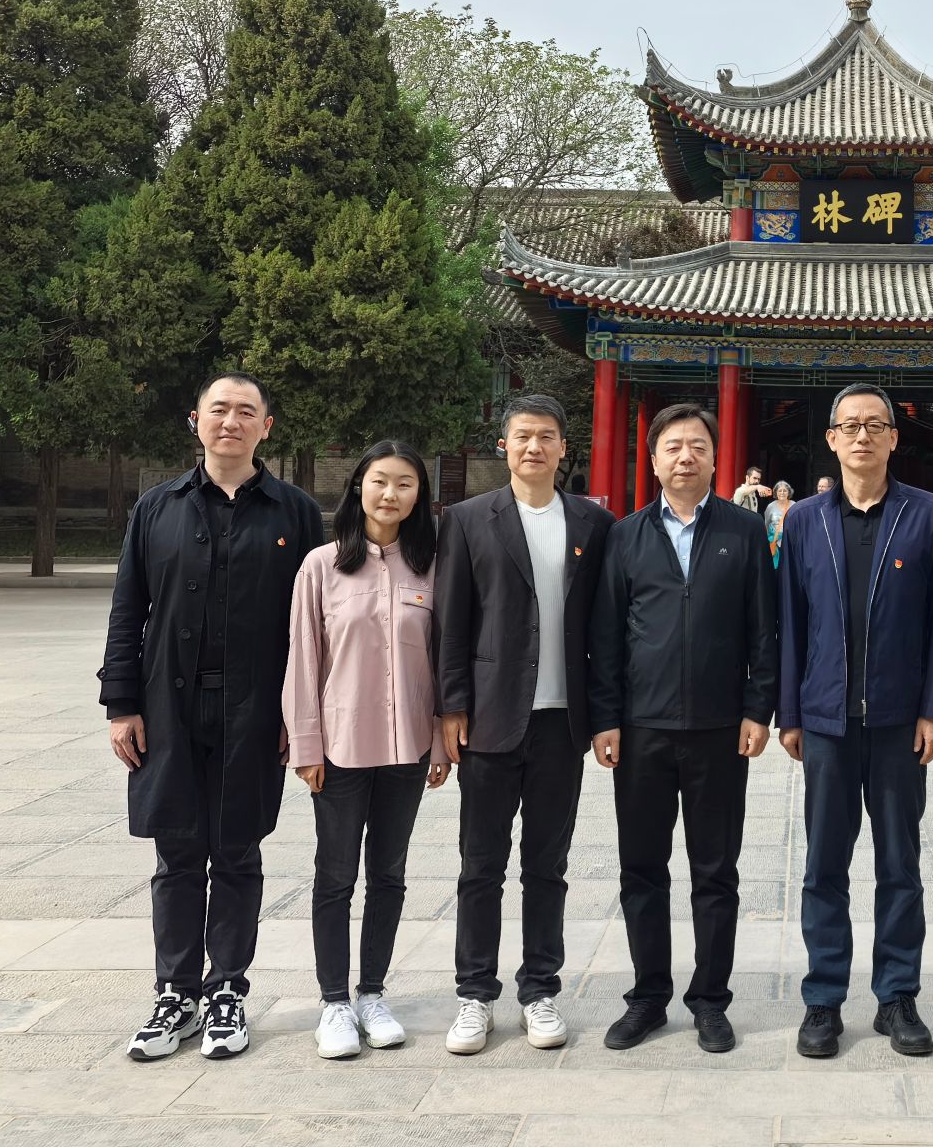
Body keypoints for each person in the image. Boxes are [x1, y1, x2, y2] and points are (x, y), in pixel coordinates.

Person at [100, 373, 324, 1062]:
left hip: (254, 711)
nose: (231, 421)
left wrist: (299, 713)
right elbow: (128, 609)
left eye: (245, 411)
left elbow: (311, 625)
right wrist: (121, 704)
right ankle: (175, 994)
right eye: (218, 409)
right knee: (176, 853)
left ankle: (227, 990)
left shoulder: (294, 512)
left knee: (236, 850)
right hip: (169, 709)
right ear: (194, 420)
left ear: (266, 427)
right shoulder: (157, 508)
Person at [588, 403, 779, 1053]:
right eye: (673, 447)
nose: (685, 457)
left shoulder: (743, 531)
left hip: (720, 730)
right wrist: (606, 718)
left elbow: (764, 628)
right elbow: (606, 635)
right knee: (642, 868)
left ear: (716, 458)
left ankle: (710, 1000)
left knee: (715, 871)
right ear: (653, 460)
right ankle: (648, 997)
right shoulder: (626, 535)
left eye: (697, 445)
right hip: (642, 730)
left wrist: (758, 708)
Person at [778, 382, 933, 1059]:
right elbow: (791, 621)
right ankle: (823, 999)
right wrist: (791, 712)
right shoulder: (804, 520)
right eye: (849, 426)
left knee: (899, 864)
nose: (862, 436)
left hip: (897, 721)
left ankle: (897, 996)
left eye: (874, 425)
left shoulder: (926, 514)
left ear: (893, 438)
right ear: (830, 439)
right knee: (824, 865)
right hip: (825, 721)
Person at [434, 395, 614, 1056]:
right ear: (503, 446)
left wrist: (606, 715)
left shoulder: (593, 522)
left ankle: (540, 988)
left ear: (564, 447)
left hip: (561, 723)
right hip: (489, 718)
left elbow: (603, 625)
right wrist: (452, 705)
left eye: (546, 437)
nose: (534, 447)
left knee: (547, 865)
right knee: (480, 864)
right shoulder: (467, 519)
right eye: (522, 436)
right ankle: (474, 994)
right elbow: (451, 620)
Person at [284, 441, 451, 1059]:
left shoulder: (431, 568)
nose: (391, 494)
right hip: (340, 747)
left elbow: (443, 661)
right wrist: (305, 744)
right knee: (335, 876)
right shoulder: (321, 566)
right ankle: (333, 1002)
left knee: (389, 874)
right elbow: (304, 661)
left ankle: (372, 994)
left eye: (405, 484)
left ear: (419, 496)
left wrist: (440, 740)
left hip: (408, 748)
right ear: (359, 486)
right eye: (380, 481)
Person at [764, 480, 795, 567]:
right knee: (774, 566)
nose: (782, 493)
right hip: (774, 541)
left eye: (785, 491)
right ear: (776, 493)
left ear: (789, 492)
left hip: (790, 540)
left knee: (788, 565)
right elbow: (766, 524)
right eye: (780, 491)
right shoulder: (770, 506)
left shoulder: (794, 505)